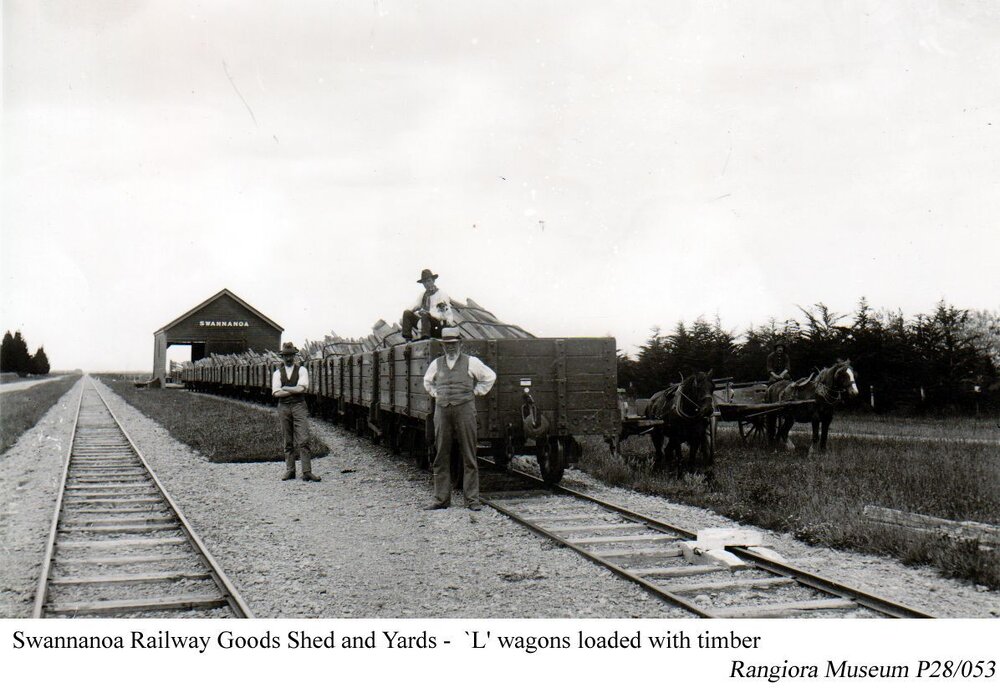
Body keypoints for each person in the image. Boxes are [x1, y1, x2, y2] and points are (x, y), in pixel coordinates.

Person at [422, 327, 496, 511]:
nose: (451, 348)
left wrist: (476, 392)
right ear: (443, 346)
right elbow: (427, 381)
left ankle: (472, 500)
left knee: (469, 454)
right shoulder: (436, 364)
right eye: (447, 345)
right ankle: (441, 499)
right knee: (441, 454)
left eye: (454, 344)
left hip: (465, 410)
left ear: (460, 344)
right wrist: (435, 393)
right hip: (442, 411)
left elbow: (490, 377)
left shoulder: (472, 362)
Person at [272, 342, 320, 482]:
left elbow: (302, 389)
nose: (288, 358)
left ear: (294, 356)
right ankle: (290, 470)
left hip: (299, 406)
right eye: (286, 356)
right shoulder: (277, 373)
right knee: (288, 440)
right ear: (282, 357)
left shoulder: (301, 370)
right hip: (284, 407)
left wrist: (285, 388)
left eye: (290, 355)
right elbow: (275, 393)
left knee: (304, 439)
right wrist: (293, 389)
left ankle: (307, 471)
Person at [401, 268, 456, 341]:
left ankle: (426, 339)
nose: (427, 284)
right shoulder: (423, 295)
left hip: (438, 325)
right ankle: (407, 339)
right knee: (407, 313)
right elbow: (414, 306)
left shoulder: (441, 294)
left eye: (429, 281)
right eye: (424, 282)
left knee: (425, 315)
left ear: (433, 281)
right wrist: (406, 315)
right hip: (425, 323)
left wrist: (428, 314)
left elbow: (443, 314)